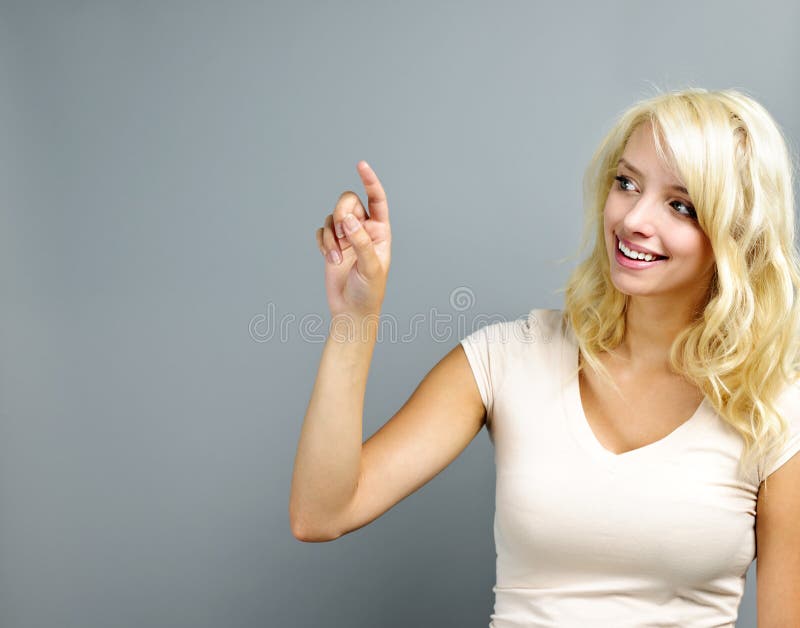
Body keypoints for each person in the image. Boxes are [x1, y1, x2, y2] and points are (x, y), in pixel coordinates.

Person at [289, 88, 800, 627]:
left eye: (681, 205)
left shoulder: (774, 411)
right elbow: (321, 513)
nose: (633, 220)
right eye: (627, 183)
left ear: (737, 236)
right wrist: (354, 319)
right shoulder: (508, 358)